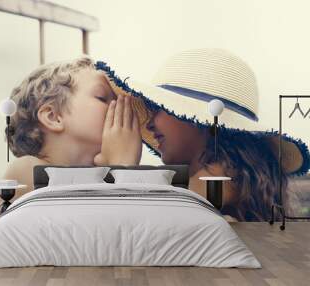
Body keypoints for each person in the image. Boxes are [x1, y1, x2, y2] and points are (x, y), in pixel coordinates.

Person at [95, 49, 310, 221]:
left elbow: (135, 230)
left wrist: (120, 168)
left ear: (198, 119)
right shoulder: (238, 180)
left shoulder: (213, 187)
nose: (149, 123)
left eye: (157, 108)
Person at [0, 56, 142, 221]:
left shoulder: (99, 177)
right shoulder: (26, 169)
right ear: (53, 117)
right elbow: (94, 227)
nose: (119, 107)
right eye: (102, 98)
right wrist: (122, 168)